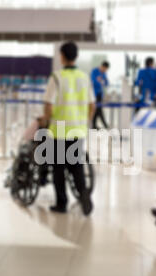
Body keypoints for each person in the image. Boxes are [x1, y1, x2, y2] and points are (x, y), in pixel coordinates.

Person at [39, 42, 95, 216]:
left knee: (58, 168)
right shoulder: (84, 77)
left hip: (60, 129)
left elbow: (48, 104)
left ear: (62, 56)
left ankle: (61, 203)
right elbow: (92, 105)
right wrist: (85, 121)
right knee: (76, 166)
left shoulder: (57, 77)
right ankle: (83, 194)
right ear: (76, 56)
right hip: (78, 130)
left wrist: (45, 120)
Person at [91, 61, 110, 129]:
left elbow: (107, 83)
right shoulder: (94, 71)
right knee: (99, 110)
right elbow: (94, 81)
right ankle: (105, 125)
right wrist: (101, 82)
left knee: (97, 110)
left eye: (106, 70)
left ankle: (93, 126)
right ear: (102, 66)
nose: (105, 71)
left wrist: (101, 82)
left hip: (100, 94)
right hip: (94, 94)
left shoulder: (104, 73)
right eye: (104, 69)